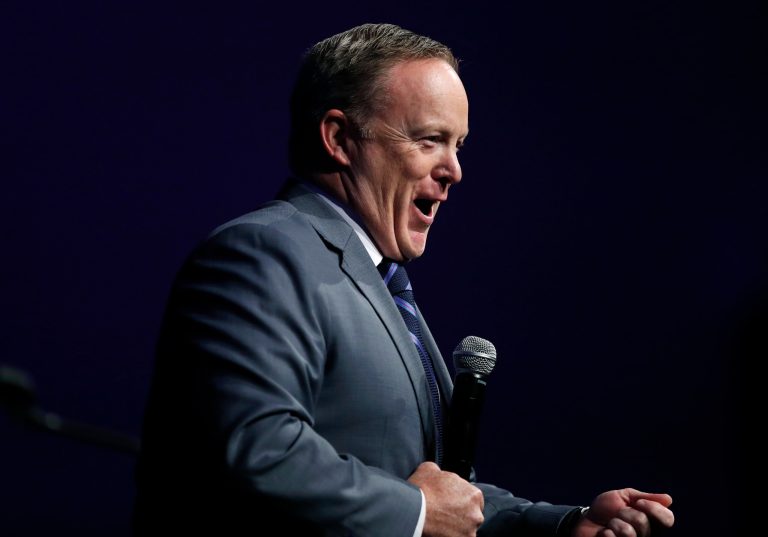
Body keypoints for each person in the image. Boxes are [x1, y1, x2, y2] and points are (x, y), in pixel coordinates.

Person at [133, 23, 675, 537]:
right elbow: (258, 451)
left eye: (458, 145)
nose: (454, 170)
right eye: (430, 140)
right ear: (340, 138)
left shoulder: (377, 282)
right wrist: (414, 511)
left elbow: (444, 501)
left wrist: (561, 524)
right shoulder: (263, 253)